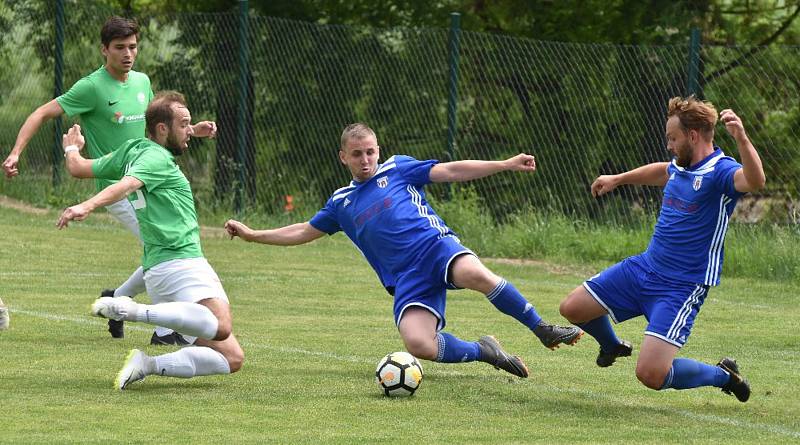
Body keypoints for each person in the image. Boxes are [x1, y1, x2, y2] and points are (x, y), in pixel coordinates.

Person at [224, 123, 583, 378]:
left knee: (475, 274)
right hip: (406, 278)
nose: (365, 160)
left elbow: (452, 170)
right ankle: (484, 351)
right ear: (343, 158)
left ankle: (542, 328)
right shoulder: (341, 202)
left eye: (370, 152)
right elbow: (303, 230)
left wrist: (503, 164)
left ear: (378, 150)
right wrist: (254, 235)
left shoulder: (398, 168)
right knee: (419, 345)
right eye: (357, 154)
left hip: (435, 247)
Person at [2, 16, 217, 344]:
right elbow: (41, 113)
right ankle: (162, 332)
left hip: (149, 182)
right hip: (118, 189)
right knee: (163, 251)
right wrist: (17, 152)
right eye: (120, 48)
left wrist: (190, 130)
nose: (128, 54)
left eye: (133, 47)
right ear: (104, 50)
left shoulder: (142, 82)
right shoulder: (91, 87)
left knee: (163, 251)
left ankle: (118, 299)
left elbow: (156, 128)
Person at [559, 96, 765, 402]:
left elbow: (755, 180)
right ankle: (612, 344)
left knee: (651, 375)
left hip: (680, 286)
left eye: (672, 138)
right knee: (572, 308)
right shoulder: (682, 165)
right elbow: (662, 171)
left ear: (692, 136)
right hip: (644, 268)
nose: (669, 145)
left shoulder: (721, 172)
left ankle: (723, 375)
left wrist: (743, 139)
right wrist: (619, 179)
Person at [56, 91, 242, 389]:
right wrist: (86, 206)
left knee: (231, 357)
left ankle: (147, 364)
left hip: (158, 272)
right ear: (162, 129)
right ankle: (130, 309)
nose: (189, 131)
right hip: (182, 263)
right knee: (221, 325)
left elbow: (79, 167)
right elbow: (128, 185)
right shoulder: (156, 159)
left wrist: (71, 149)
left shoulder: (133, 150)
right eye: (184, 124)